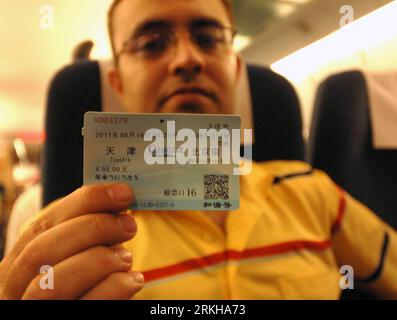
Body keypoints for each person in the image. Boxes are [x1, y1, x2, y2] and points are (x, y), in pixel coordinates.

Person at [1, 0, 396, 300]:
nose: (187, 59)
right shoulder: (64, 233)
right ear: (117, 83)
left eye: (208, 39)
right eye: (151, 43)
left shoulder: (312, 190)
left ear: (236, 68)